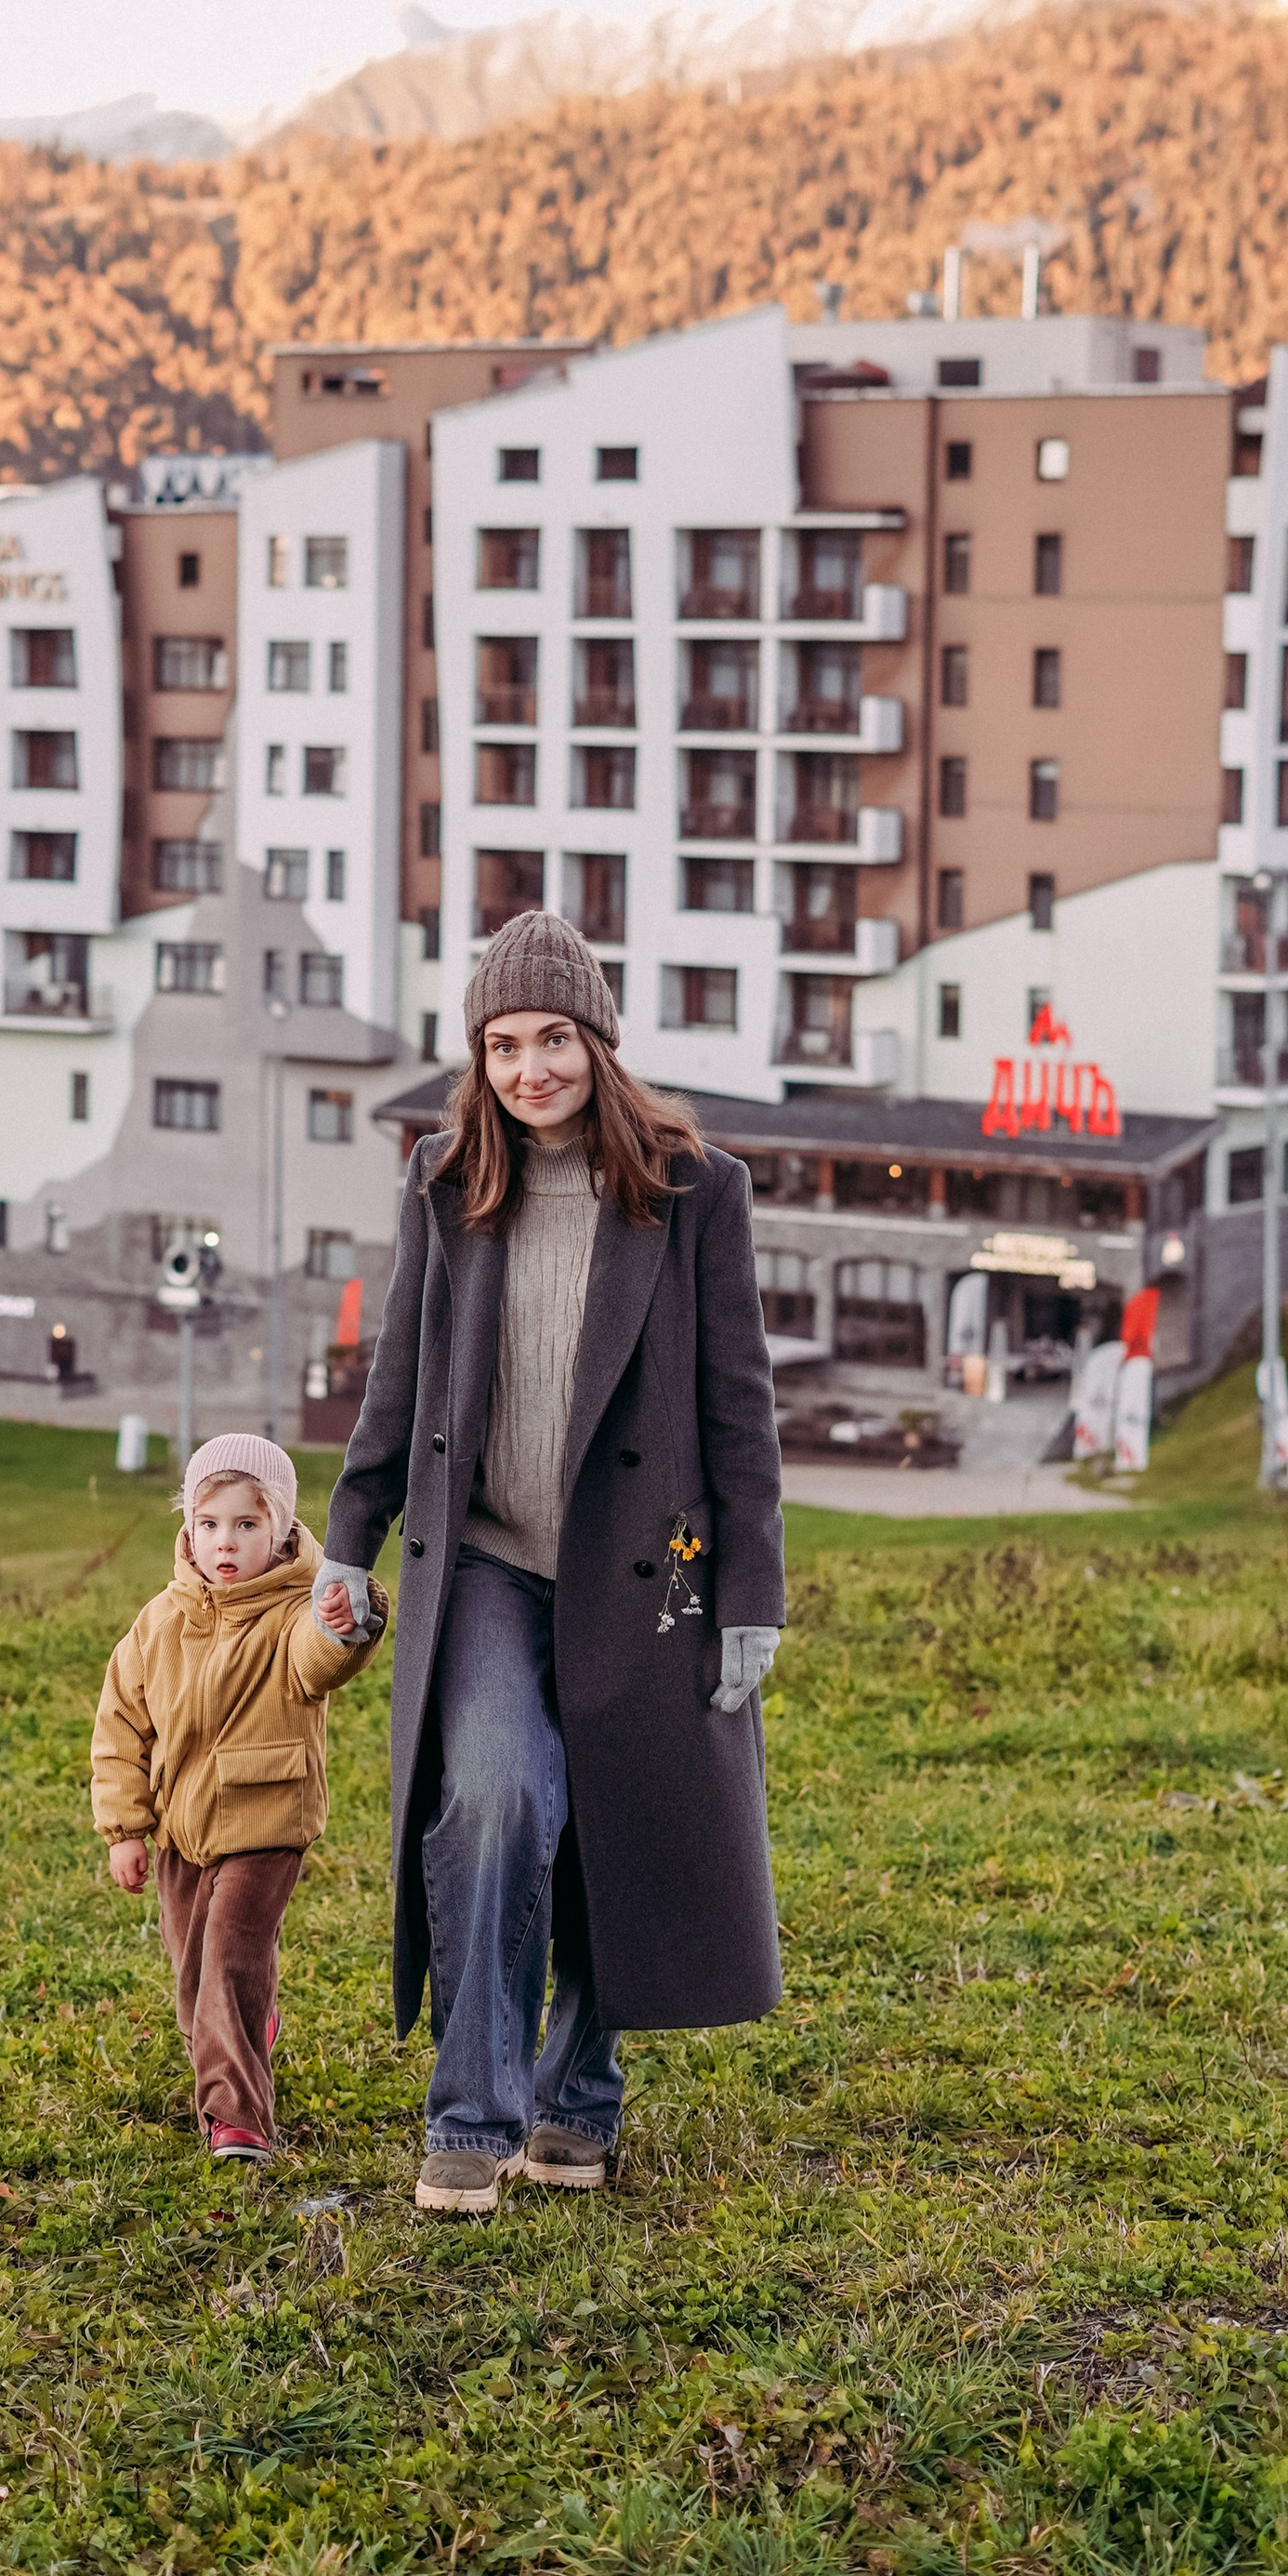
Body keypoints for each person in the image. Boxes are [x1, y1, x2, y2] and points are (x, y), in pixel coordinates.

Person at [317, 910, 785, 2215]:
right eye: (506, 1044)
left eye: (555, 1039)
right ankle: (471, 2116)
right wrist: (348, 1542)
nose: (532, 1069)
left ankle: (578, 2104)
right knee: (496, 1800)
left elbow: (741, 1408)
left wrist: (751, 1593)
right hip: (482, 1564)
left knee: (613, 1825)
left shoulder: (697, 1191)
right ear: (482, 1057)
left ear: (599, 1042)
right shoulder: (448, 1178)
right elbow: (397, 1379)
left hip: (645, 1572)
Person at [92, 1432, 388, 2161]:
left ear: (283, 1529)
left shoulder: (296, 1610)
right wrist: (126, 1828)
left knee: (226, 1959)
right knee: (195, 1981)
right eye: (210, 1523)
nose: (226, 1542)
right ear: (188, 1527)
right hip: (181, 1829)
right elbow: (120, 1725)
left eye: (248, 1525)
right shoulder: (161, 1622)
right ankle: (248, 2025)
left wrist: (343, 1625)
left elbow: (318, 1665)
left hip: (265, 1822)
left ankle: (239, 2121)